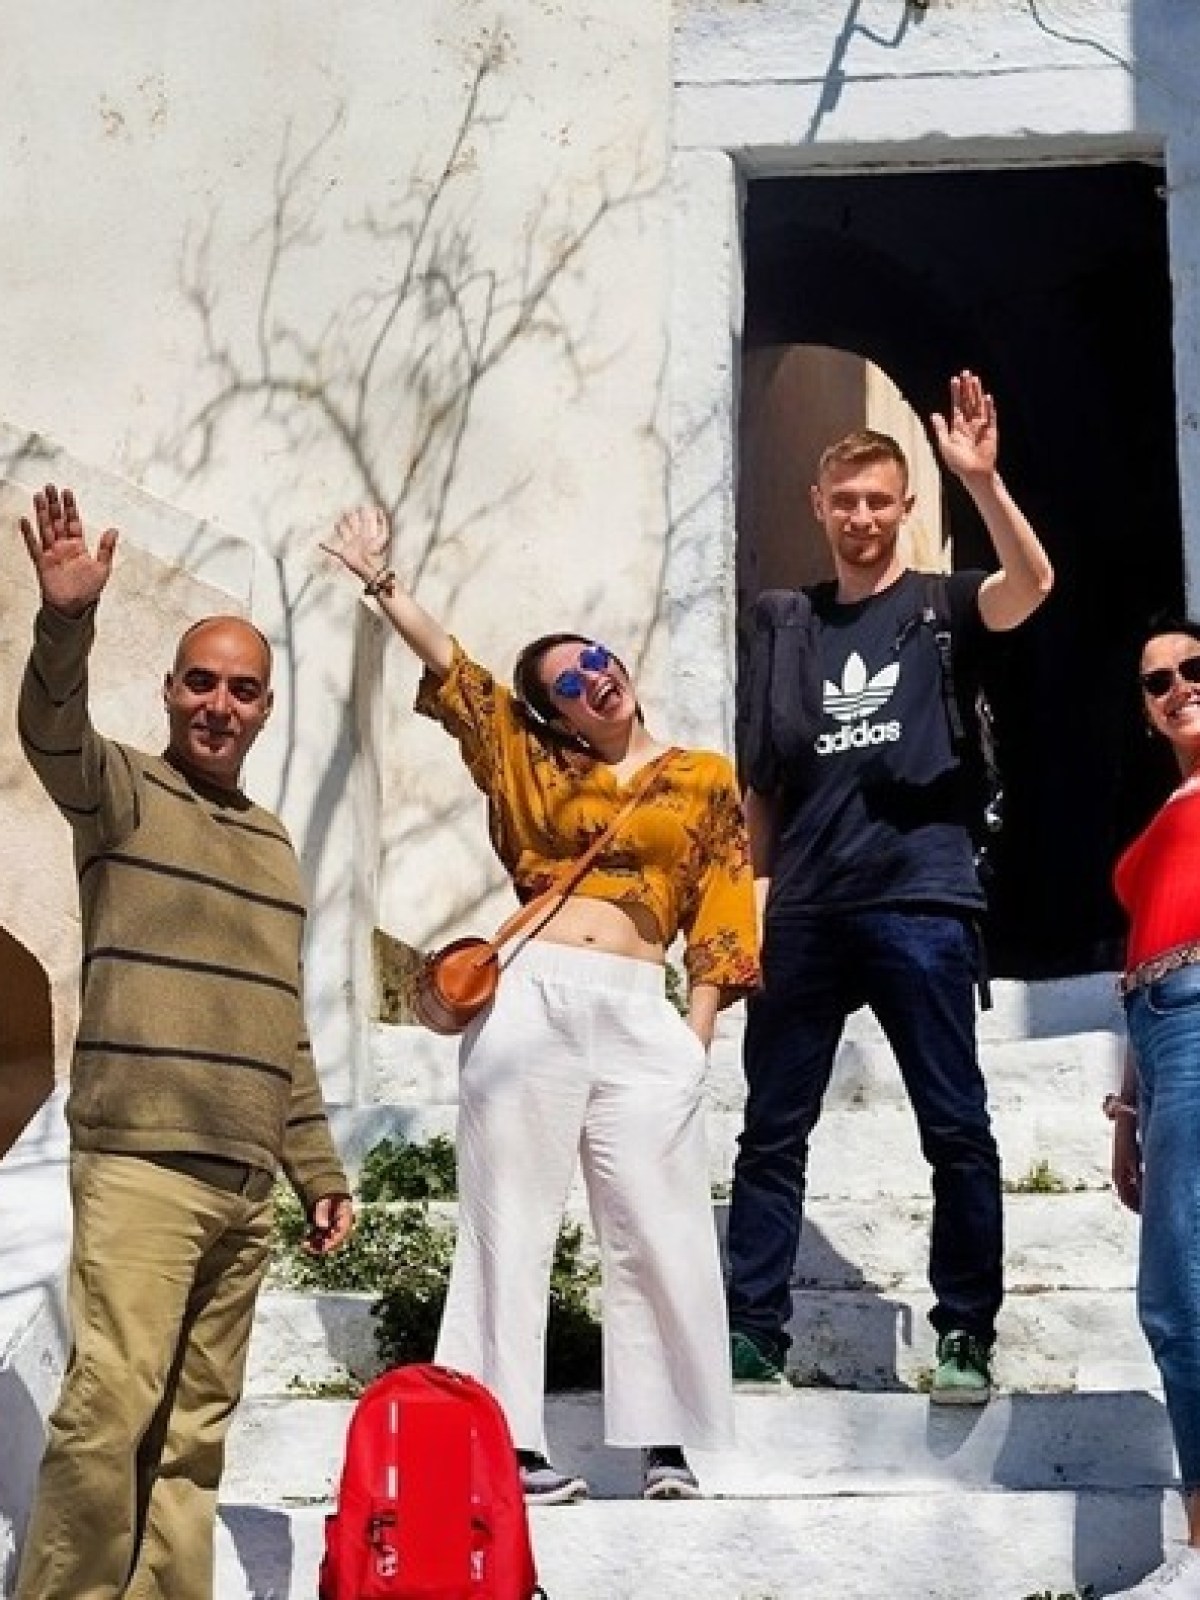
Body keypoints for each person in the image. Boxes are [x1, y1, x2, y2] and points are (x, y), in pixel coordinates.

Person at [322, 506, 760, 1503]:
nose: (593, 678)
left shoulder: (703, 778)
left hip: (643, 1015)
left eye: (596, 659)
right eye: (568, 682)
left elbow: (726, 903)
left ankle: (665, 1443)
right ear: (556, 715)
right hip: (535, 1006)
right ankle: (503, 1443)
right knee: (507, 1221)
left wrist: (695, 1034)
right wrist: (385, 582)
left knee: (660, 1225)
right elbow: (463, 678)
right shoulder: (532, 765)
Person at [14, 484, 354, 1600]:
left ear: (266, 709)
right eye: (200, 681)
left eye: (242, 689)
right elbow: (50, 733)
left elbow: (282, 1020)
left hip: (246, 1184)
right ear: (169, 690)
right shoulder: (121, 793)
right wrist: (67, 619)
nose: (219, 703)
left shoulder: (275, 846)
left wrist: (315, 1167)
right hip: (141, 1164)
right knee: (111, 1405)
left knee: (193, 1434)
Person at [727, 371, 1054, 1403]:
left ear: (906, 508)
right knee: (770, 1128)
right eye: (847, 501)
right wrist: (754, 900)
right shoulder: (788, 626)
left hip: (921, 898)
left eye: (882, 500)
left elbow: (1033, 584)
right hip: (811, 908)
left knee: (954, 1124)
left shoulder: (942, 605)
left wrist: (986, 483)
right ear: (820, 509)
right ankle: (752, 1331)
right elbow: (762, 783)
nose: (863, 517)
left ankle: (964, 1331)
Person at [1105, 616, 1200, 1598]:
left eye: (1193, 667)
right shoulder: (1167, 812)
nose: (1177, 686)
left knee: (1184, 1298)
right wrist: (1130, 1112)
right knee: (1175, 1301)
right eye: (1156, 681)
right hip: (1160, 1041)